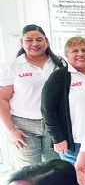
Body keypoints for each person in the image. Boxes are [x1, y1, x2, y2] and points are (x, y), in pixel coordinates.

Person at [0, 25, 65, 168]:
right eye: (29, 40)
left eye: (39, 40)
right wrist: (11, 130)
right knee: (30, 171)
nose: (35, 44)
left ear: (46, 41)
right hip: (23, 125)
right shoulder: (13, 66)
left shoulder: (59, 63)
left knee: (54, 169)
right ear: (22, 42)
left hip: (53, 123)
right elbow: (2, 100)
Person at [42, 37, 85, 164]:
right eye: (75, 51)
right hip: (75, 144)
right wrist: (58, 138)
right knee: (76, 181)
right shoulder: (59, 77)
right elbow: (47, 110)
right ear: (67, 54)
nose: (81, 54)